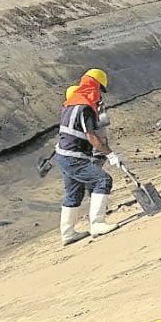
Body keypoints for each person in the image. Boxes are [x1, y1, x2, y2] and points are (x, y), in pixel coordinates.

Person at [54, 69, 120, 245]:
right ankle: (97, 223)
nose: (99, 94)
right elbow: (91, 136)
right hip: (73, 157)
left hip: (63, 155)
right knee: (103, 180)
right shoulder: (84, 107)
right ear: (95, 86)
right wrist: (110, 154)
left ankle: (67, 234)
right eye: (100, 90)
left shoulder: (70, 104)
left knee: (74, 193)